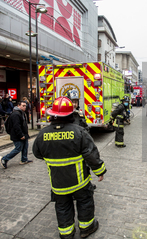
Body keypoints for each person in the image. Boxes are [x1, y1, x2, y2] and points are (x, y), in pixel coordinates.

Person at [32, 96, 105, 239]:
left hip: (58, 182)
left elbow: (37, 153)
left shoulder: (42, 134)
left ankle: (66, 234)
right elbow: (91, 154)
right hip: (80, 181)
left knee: (62, 206)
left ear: (52, 114)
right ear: (71, 114)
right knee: (84, 201)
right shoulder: (79, 132)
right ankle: (86, 229)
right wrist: (100, 171)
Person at [0, 101, 32, 168]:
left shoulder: (21, 113)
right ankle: (4, 159)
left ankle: (24, 159)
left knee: (25, 146)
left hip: (24, 133)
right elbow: (16, 126)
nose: (25, 107)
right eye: (23, 106)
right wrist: (20, 135)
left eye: (25, 106)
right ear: (18, 105)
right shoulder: (16, 114)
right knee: (18, 148)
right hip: (17, 135)